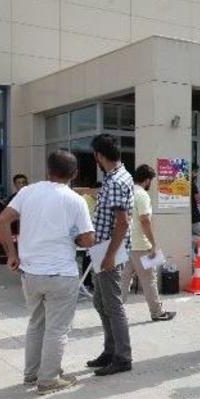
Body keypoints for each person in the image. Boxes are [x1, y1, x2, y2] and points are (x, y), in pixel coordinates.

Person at [0, 150, 95, 394]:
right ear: (75, 173)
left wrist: (11, 254)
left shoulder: (27, 192)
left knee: (36, 323)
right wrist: (76, 239)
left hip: (30, 273)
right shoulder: (75, 200)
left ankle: (32, 373)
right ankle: (48, 379)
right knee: (57, 329)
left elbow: (1, 221)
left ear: (48, 170)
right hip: (61, 273)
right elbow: (88, 239)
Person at [85, 134, 134, 376]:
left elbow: (122, 222)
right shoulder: (118, 176)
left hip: (108, 249)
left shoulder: (115, 181)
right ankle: (110, 349)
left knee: (112, 305)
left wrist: (110, 255)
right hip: (104, 248)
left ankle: (122, 356)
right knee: (100, 302)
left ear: (98, 156)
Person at [120, 165, 176, 322]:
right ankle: (157, 312)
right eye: (151, 180)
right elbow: (145, 220)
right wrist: (153, 244)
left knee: (124, 279)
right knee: (150, 279)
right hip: (142, 245)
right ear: (147, 180)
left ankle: (115, 312)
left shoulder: (126, 192)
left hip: (127, 243)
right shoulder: (142, 195)